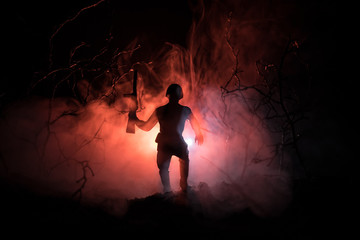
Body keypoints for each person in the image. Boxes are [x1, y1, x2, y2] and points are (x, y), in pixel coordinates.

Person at [131, 84, 203, 193]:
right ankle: (177, 188)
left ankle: (176, 188)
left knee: (166, 167)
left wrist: (134, 119)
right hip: (173, 142)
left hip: (167, 142)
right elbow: (195, 123)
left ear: (168, 96)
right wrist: (198, 134)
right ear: (180, 96)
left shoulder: (163, 110)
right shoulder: (183, 110)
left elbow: (146, 127)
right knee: (175, 163)